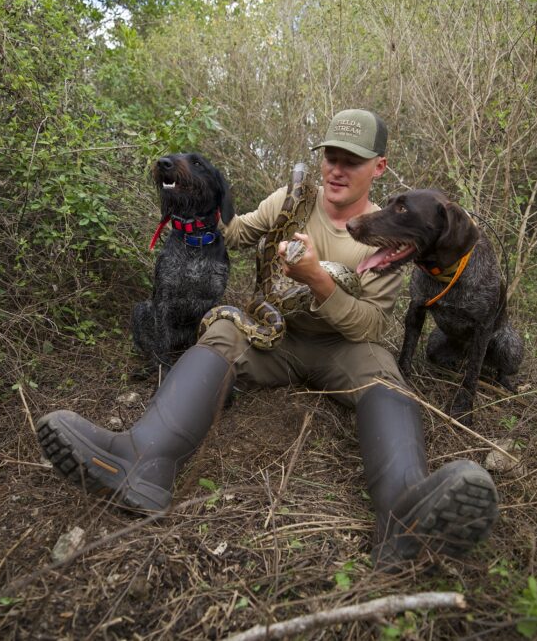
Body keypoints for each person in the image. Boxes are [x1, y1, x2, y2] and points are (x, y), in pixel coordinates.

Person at [37, 110, 499, 568]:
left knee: (384, 371)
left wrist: (318, 279)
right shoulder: (291, 200)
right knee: (221, 327)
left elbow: (372, 327)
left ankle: (404, 509)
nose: (337, 169)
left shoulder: (391, 233)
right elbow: (233, 232)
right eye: (330, 156)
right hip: (273, 333)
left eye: (351, 160)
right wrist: (199, 193)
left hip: (345, 350)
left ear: (378, 166)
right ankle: (143, 462)